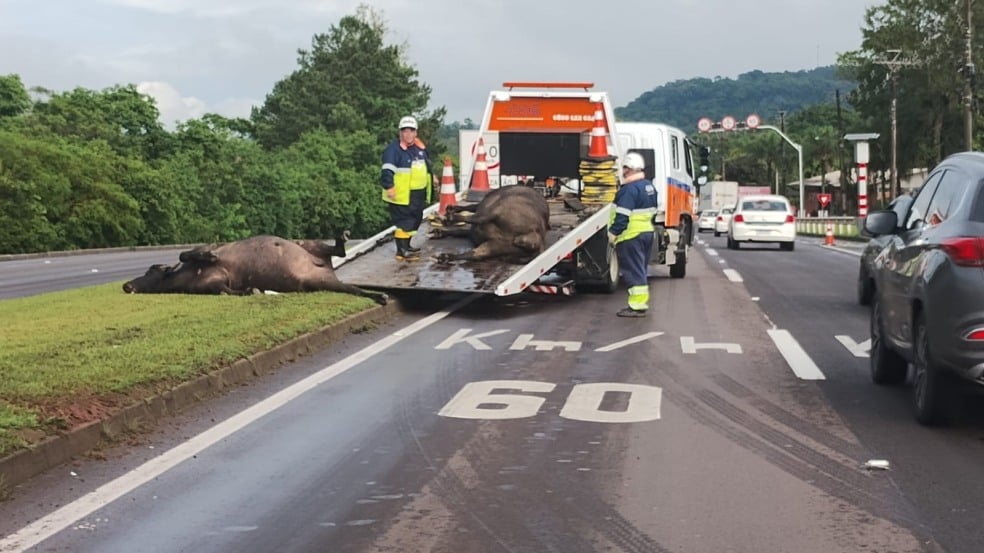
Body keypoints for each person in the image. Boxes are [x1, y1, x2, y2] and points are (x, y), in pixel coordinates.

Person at [608, 152, 657, 317]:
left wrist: (614, 232)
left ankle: (637, 306)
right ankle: (639, 304)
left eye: (625, 168)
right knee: (640, 269)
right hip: (646, 232)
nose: (623, 171)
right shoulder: (649, 187)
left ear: (630, 169)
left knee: (634, 271)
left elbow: (622, 215)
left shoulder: (628, 190)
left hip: (631, 236)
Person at [380, 116, 435, 261]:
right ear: (400, 133)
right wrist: (389, 187)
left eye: (411, 131)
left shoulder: (419, 148)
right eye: (405, 131)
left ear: (416, 132)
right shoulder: (393, 150)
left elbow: (427, 166)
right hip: (402, 194)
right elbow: (387, 170)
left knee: (415, 220)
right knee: (404, 222)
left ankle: (407, 246)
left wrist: (433, 178)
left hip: (418, 193)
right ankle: (402, 251)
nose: (408, 134)